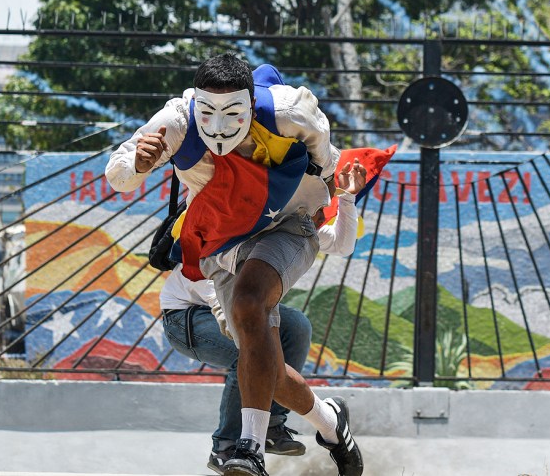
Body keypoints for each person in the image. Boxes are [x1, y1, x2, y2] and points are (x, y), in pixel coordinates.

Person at [106, 54, 363, 476]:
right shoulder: (176, 122)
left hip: (285, 226)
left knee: (250, 302)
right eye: (209, 113)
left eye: (233, 113)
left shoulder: (287, 110)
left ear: (251, 102)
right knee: (267, 367)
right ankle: (332, 425)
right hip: (221, 244)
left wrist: (325, 182)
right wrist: (137, 163)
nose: (221, 127)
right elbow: (118, 173)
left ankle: (247, 447)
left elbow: (325, 151)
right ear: (196, 107)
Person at [159, 159, 367, 474]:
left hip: (241, 307)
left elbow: (342, 244)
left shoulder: (299, 224)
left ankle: (273, 422)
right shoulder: (252, 219)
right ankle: (227, 446)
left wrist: (347, 198)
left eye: (325, 207)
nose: (321, 212)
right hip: (187, 316)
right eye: (317, 205)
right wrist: (243, 332)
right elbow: (211, 287)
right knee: (250, 355)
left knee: (296, 327)